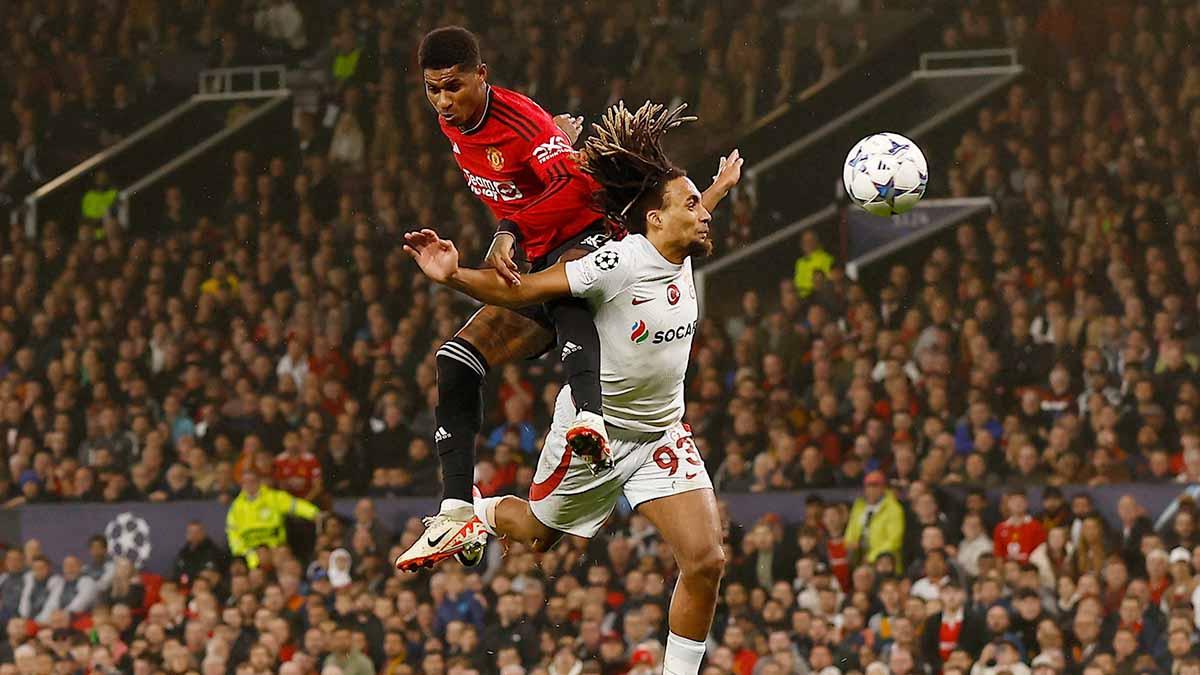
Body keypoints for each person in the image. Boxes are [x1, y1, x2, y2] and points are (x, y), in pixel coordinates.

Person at [403, 100, 742, 675]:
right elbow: (521, 291)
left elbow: (686, 216)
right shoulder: (616, 263)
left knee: (706, 560)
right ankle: (476, 516)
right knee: (538, 537)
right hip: (597, 437)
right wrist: (454, 275)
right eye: (692, 206)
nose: (703, 214)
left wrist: (714, 190)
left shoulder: (679, 244)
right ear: (655, 220)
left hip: (661, 432)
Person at [397, 27, 732, 570]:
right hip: (537, 257)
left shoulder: (522, 121)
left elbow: (575, 188)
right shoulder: (451, 123)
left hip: (589, 242)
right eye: (432, 89)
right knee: (455, 361)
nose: (442, 100)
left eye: (452, 86)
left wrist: (510, 226)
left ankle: (589, 417)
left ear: (482, 75)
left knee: (568, 286)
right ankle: (457, 509)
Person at [226, 470, 320, 569]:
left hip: (275, 544)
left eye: (252, 481)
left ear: (259, 482)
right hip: (251, 549)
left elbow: (296, 505)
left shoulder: (274, 497)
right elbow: (232, 533)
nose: (249, 484)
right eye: (246, 482)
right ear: (242, 485)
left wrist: (314, 513)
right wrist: (245, 552)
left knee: (283, 555)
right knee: (258, 560)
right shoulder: (235, 507)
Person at [845, 471, 906, 570]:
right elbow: (850, 533)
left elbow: (894, 541)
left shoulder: (893, 508)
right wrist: (851, 545)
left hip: (884, 562)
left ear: (883, 488)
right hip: (859, 560)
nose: (872, 490)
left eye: (875, 486)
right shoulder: (859, 507)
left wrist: (872, 557)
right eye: (869, 486)